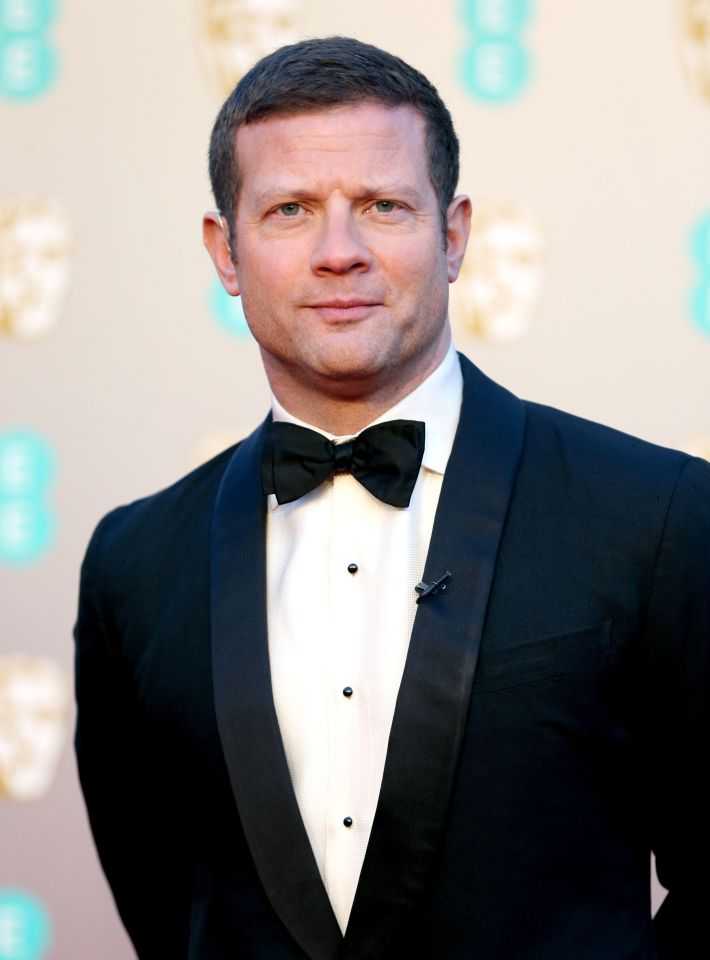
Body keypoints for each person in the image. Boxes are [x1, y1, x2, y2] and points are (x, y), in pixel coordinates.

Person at [74, 36, 710, 960]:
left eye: (382, 205)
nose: (340, 253)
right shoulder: (134, 564)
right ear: (226, 250)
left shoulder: (654, 516)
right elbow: (164, 906)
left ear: (452, 235)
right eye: (290, 209)